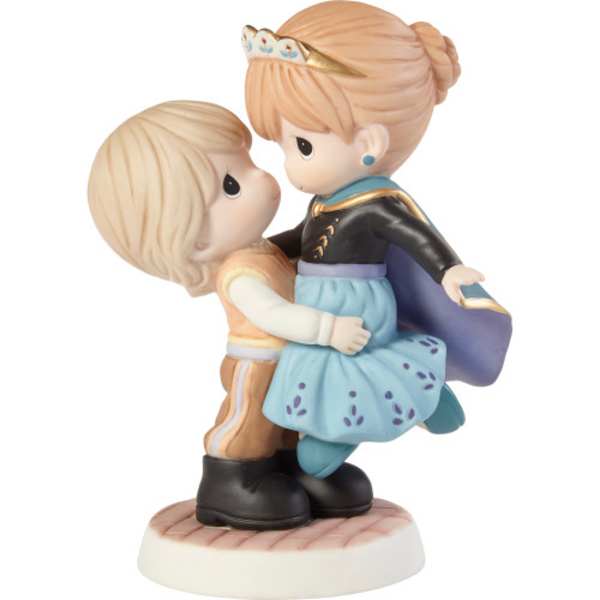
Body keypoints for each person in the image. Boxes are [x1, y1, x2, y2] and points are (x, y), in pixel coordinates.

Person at [243, 1, 512, 478]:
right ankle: (427, 396)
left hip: (354, 304)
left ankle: (336, 431)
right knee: (322, 361)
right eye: (284, 145)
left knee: (346, 366)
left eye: (302, 146)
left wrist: (448, 270)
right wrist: (263, 249)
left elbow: (413, 233)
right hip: (319, 298)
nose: (289, 165)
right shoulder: (325, 199)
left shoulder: (375, 204)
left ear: (368, 145)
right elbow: (305, 238)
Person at [88, 101, 373, 530]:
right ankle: (231, 477)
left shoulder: (261, 250)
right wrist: (328, 329)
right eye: (231, 185)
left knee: (289, 420)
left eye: (248, 163)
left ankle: (292, 467)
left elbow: (306, 246)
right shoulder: (240, 275)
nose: (262, 179)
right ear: (195, 239)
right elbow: (274, 314)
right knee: (250, 420)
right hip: (258, 364)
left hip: (292, 362)